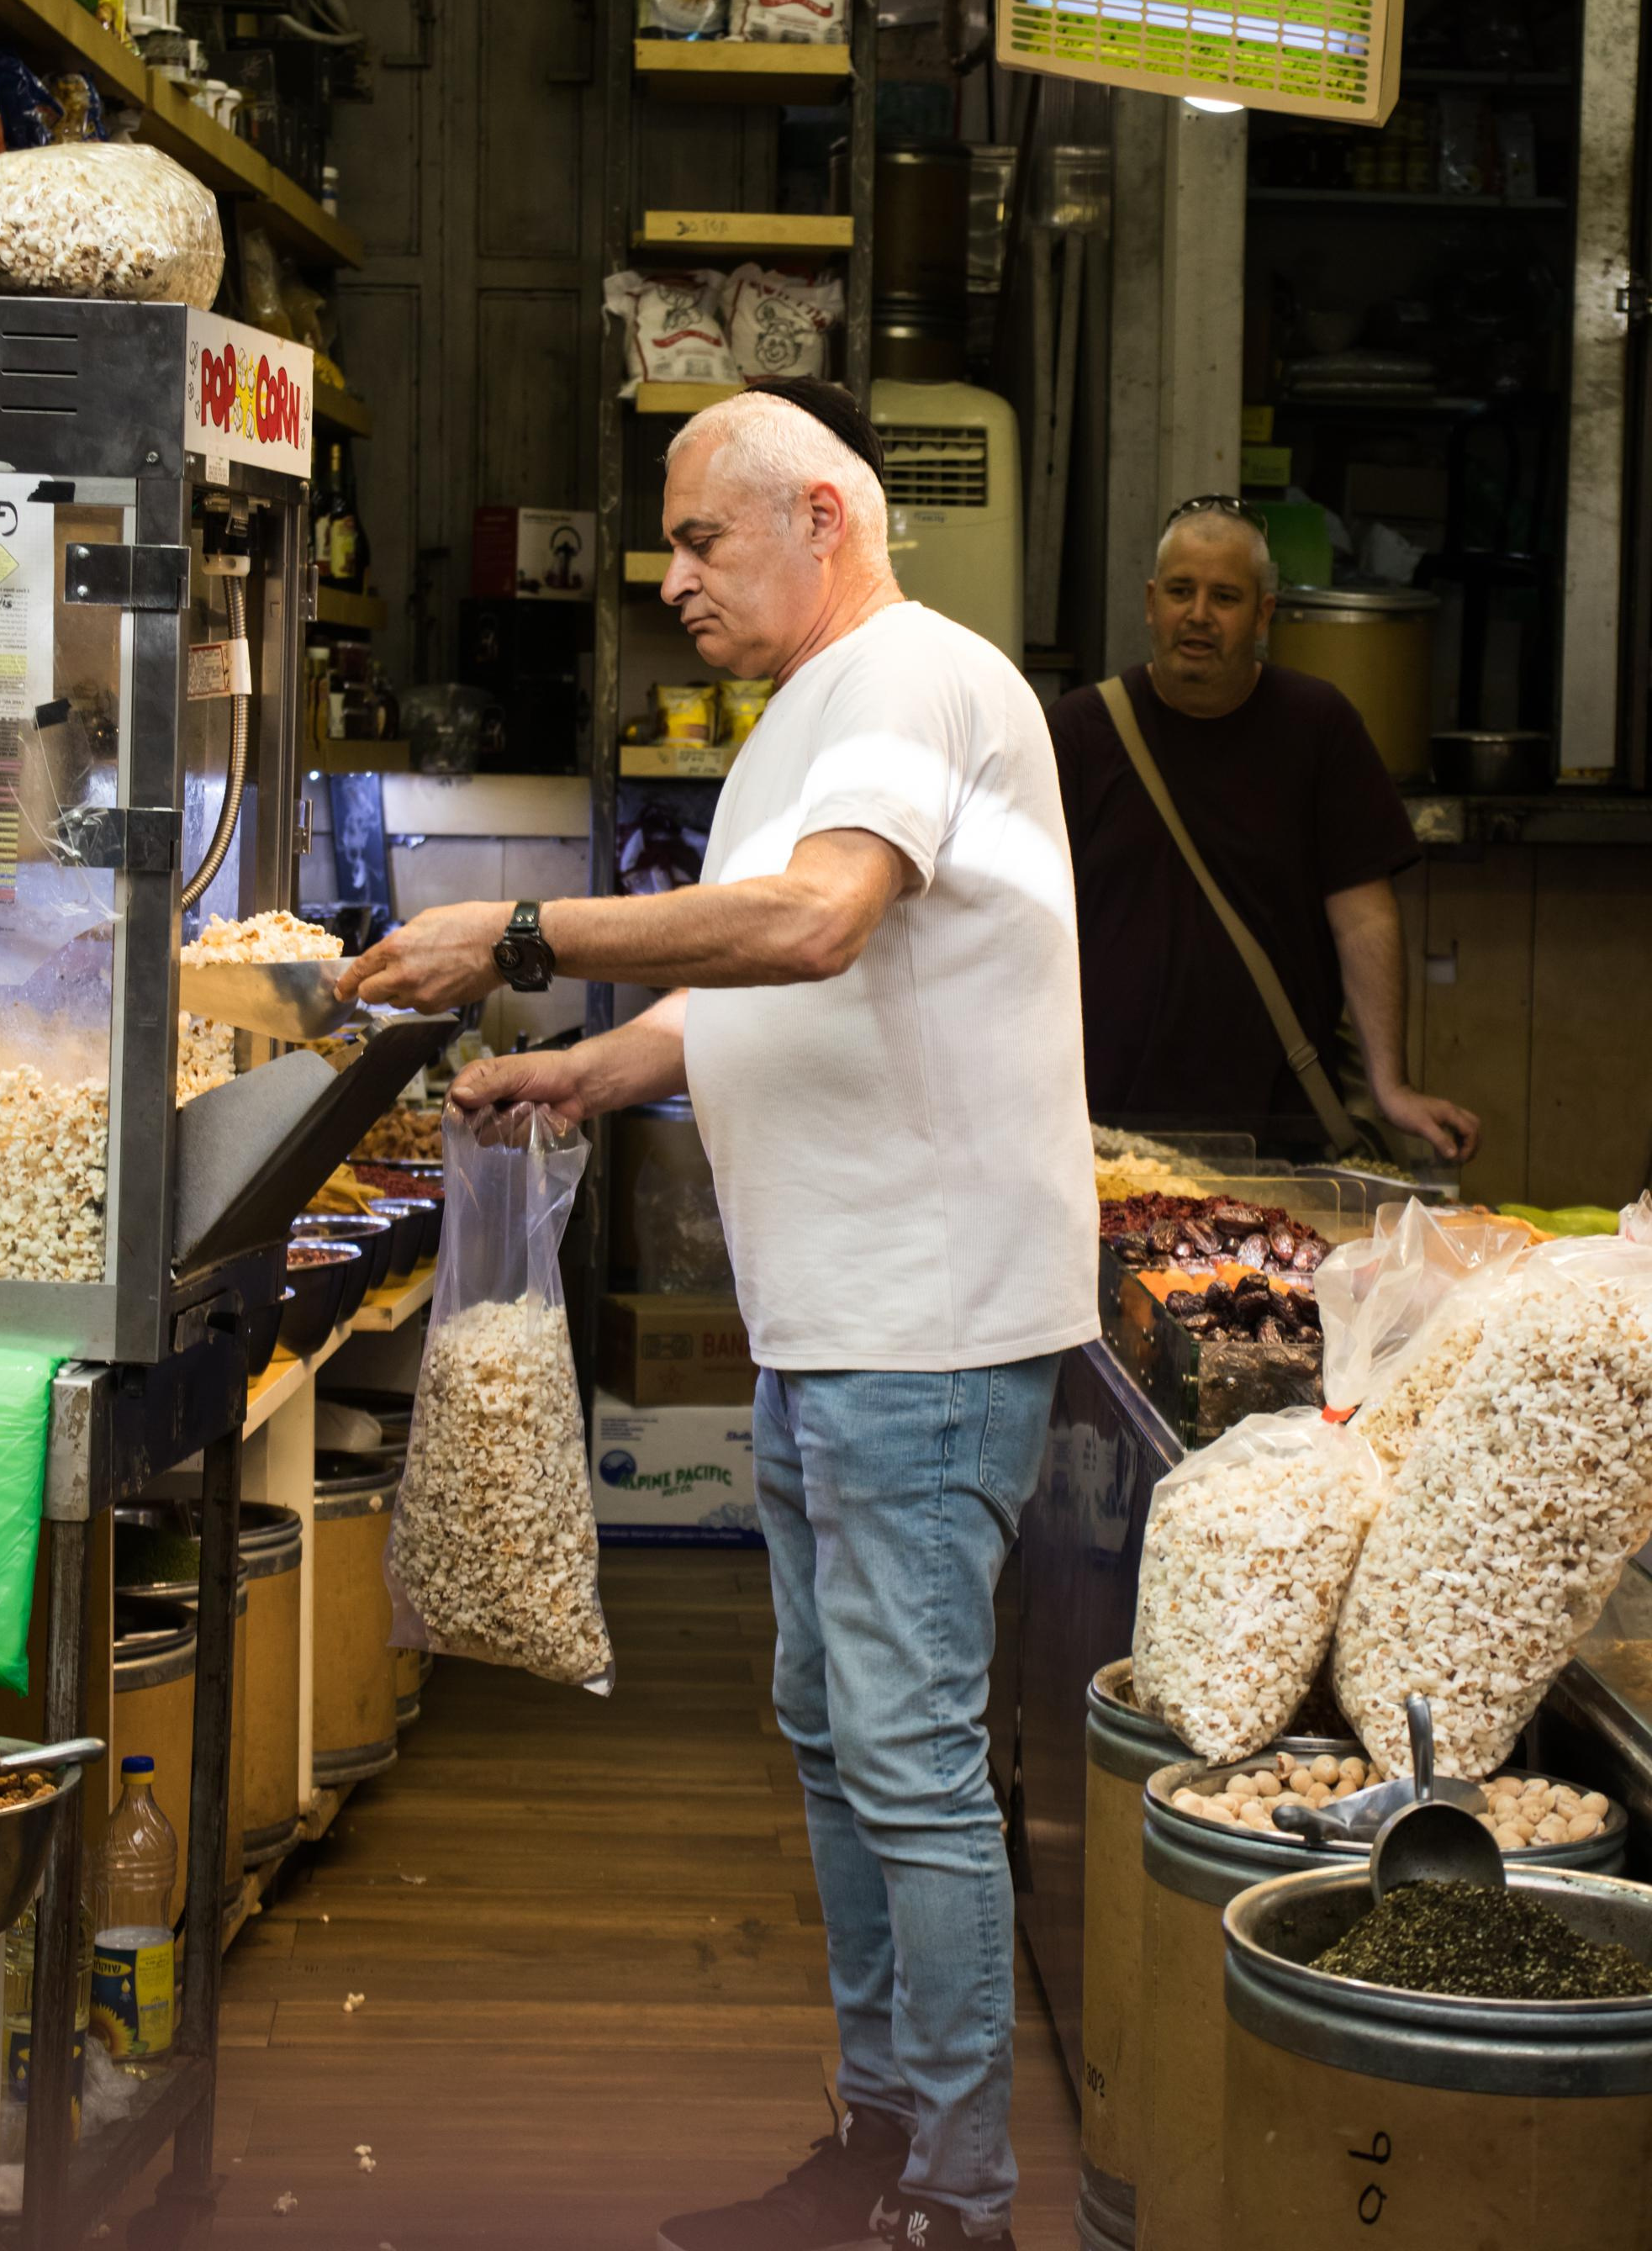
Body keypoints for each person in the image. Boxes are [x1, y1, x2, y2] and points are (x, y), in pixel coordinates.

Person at [338, 379, 1100, 2251]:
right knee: (838, 1736)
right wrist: (593, 1069)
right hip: (831, 1318)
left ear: (823, 519)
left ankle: (955, 2196)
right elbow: (764, 983)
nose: (664, 575)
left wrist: (521, 940)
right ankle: (873, 2135)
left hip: (923, 1325)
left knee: (908, 1756)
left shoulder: (913, 676)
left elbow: (814, 923)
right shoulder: (804, 722)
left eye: (698, 537)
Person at [1048, 495, 1480, 1163]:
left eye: (1225, 596)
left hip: (1279, 1124)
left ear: (1263, 614)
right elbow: (1025, 915)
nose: (1198, 615)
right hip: (1106, 1122)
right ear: (1150, 602)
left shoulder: (1319, 727)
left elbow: (1364, 919)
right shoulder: (1078, 731)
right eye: (1182, 592)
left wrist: (1391, 1085)